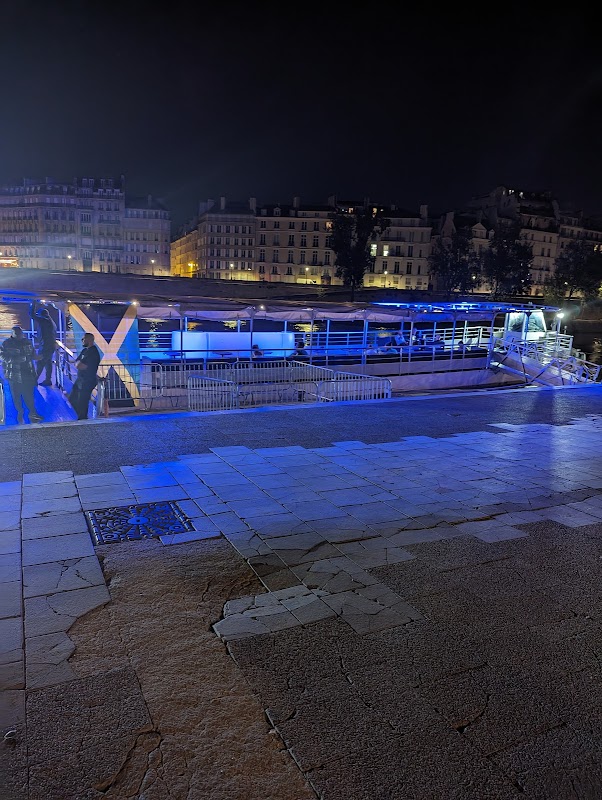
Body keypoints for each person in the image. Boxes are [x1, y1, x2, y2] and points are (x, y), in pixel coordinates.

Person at [0, 326, 43, 424]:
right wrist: (15, 360)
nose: (19, 335)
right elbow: (2, 356)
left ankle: (32, 413)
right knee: (16, 396)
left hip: (28, 373)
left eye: (20, 333)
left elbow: (32, 355)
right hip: (13, 375)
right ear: (12, 334)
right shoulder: (6, 344)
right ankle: (20, 412)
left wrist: (38, 357)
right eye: (17, 333)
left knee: (29, 395)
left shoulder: (28, 342)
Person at [69, 332, 101, 420]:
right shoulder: (84, 351)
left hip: (88, 380)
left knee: (82, 401)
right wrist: (79, 364)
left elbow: (81, 365)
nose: (82, 340)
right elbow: (76, 363)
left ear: (90, 340)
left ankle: (83, 418)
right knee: (72, 399)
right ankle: (82, 417)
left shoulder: (93, 352)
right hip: (80, 379)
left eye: (84, 339)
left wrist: (79, 364)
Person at [30, 301, 57, 386]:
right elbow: (47, 335)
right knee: (48, 363)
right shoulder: (51, 322)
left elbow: (32, 315)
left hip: (45, 347)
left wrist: (33, 303)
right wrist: (37, 338)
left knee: (40, 363)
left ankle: (34, 381)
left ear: (41, 315)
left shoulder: (44, 320)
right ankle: (48, 380)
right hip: (50, 346)